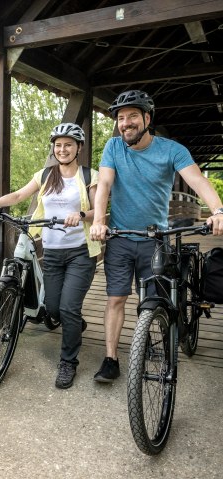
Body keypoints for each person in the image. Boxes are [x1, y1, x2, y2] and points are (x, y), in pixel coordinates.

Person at [90, 89, 223, 383]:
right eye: (121, 118)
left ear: (147, 118)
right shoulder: (113, 147)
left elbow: (197, 180)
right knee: (115, 299)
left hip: (156, 239)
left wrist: (218, 210)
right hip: (122, 237)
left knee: (151, 300)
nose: (126, 123)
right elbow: (104, 185)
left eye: (132, 116)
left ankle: (146, 340)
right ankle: (111, 359)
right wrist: (99, 221)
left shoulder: (171, 150)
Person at [0, 123, 101, 389]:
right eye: (58, 145)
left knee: (67, 307)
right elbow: (20, 195)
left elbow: (98, 213)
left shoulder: (90, 175)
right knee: (54, 308)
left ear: (78, 147)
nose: (63, 149)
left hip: (80, 252)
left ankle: (68, 363)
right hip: (53, 253)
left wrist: (80, 215)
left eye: (68, 144)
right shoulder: (46, 175)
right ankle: (74, 323)